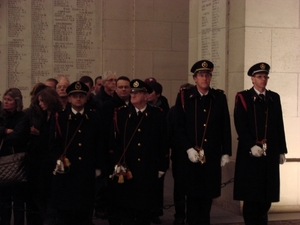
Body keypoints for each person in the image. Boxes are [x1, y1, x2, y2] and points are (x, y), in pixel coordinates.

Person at [174, 60, 232, 225]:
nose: (205, 78)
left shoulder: (218, 97)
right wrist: (188, 149)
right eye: (201, 75)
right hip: (191, 158)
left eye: (207, 75)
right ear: (195, 78)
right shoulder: (185, 96)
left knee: (207, 200)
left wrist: (226, 151)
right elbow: (179, 127)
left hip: (211, 156)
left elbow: (224, 125)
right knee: (192, 200)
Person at [108, 79, 169, 225]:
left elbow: (163, 142)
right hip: (127, 169)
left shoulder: (157, 115)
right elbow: (114, 141)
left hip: (148, 169)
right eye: (132, 92)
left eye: (138, 92)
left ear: (146, 95)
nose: (133, 95)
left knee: (144, 211)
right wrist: (114, 163)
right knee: (127, 210)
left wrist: (162, 165)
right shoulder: (121, 114)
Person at [233, 62, 288, 225]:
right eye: (259, 77)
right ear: (252, 79)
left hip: (269, 153)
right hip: (250, 154)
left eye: (265, 76)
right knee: (251, 197)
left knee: (267, 196)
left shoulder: (274, 97)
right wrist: (251, 144)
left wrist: (281, 150)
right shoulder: (243, 97)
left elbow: (279, 124)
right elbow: (240, 125)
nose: (263, 79)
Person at [50, 81, 104, 225]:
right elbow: (53, 143)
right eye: (75, 96)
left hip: (86, 170)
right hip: (66, 171)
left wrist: (98, 166)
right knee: (65, 212)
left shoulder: (94, 118)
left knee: (84, 211)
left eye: (81, 96)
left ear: (86, 98)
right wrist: (57, 161)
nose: (78, 99)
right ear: (69, 98)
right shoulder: (60, 118)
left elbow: (99, 144)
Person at [99, 76, 131, 223]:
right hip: (112, 155)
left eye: (126, 87)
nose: (123, 89)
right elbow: (104, 134)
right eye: (121, 87)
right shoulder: (108, 106)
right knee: (113, 194)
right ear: (116, 89)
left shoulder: (133, 104)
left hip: (129, 155)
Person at [0, 88, 30, 225]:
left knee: (18, 200)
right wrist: (5, 130)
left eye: (9, 100)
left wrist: (4, 136)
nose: (6, 102)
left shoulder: (22, 117)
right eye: (4, 99)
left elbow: (17, 136)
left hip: (16, 161)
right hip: (2, 161)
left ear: (17, 102)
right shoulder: (1, 115)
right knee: (3, 200)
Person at [168, 83, 194, 225]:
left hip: (194, 156)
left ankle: (191, 214)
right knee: (179, 188)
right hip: (179, 156)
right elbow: (170, 134)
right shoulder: (174, 112)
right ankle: (179, 215)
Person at [144, 78, 169, 224]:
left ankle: (156, 211)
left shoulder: (163, 109)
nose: (147, 94)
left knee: (158, 186)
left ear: (158, 94)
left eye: (150, 91)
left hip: (157, 153)